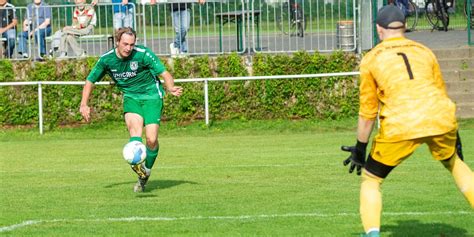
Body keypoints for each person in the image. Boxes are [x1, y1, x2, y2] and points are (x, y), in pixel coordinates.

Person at [340, 5, 474, 237]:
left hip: (401, 123)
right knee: (455, 164)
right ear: (403, 28)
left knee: (371, 179)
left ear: (379, 30)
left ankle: (372, 233)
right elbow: (441, 94)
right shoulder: (425, 51)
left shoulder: (372, 58)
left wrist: (360, 149)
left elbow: (368, 111)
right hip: (439, 118)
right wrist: (456, 137)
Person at [80, 27, 183, 192]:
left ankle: (146, 173)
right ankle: (137, 167)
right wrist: (84, 104)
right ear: (117, 42)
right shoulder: (107, 60)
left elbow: (164, 74)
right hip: (131, 98)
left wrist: (170, 88)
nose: (128, 48)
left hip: (152, 97)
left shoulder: (143, 54)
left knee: (151, 139)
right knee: (135, 137)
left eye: (131, 44)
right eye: (125, 44)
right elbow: (90, 80)